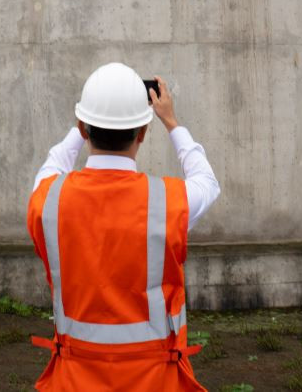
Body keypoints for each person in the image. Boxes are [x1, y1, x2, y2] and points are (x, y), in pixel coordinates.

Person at [27, 62, 221, 391]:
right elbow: (208, 182)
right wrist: (171, 121)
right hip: (154, 381)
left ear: (85, 128)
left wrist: (80, 127)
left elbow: (53, 162)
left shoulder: (48, 199)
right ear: (143, 132)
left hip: (73, 381)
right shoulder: (169, 202)